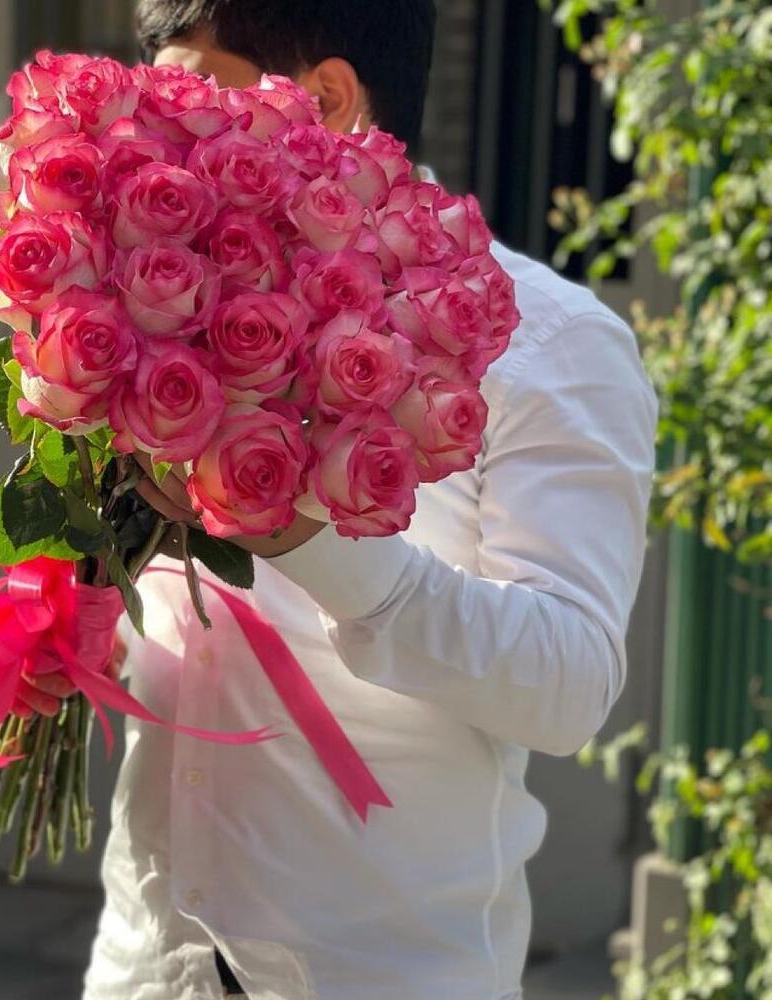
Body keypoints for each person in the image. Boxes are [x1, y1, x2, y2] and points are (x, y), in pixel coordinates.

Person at [47, 2, 658, 997]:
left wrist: (314, 545)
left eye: (192, 92)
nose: (155, 129)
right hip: (146, 963)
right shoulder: (157, 292)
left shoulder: (547, 343)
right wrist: (61, 626)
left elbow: (568, 685)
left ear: (324, 97)